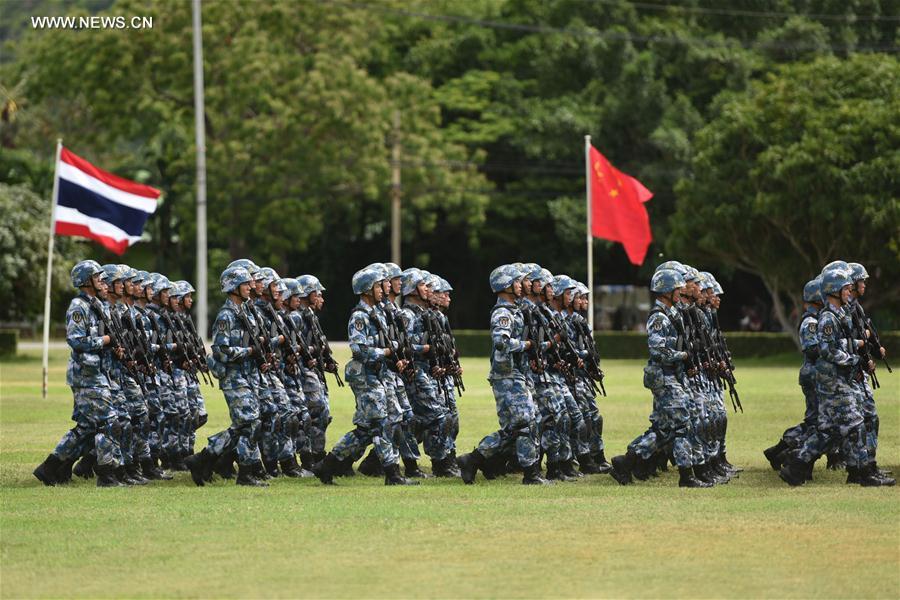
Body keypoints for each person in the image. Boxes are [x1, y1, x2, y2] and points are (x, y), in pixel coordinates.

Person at [312, 265, 418, 485]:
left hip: (379, 374)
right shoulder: (359, 317)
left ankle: (326, 465)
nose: (383, 289)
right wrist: (387, 351)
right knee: (381, 424)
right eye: (379, 286)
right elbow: (359, 350)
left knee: (367, 429)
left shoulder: (378, 312)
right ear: (367, 289)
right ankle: (392, 474)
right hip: (366, 376)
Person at [608, 268, 711, 488]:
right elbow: (658, 350)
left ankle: (626, 461)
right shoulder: (659, 317)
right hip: (665, 378)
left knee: (664, 430)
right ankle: (687, 476)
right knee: (682, 425)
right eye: (676, 289)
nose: (680, 292)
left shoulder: (672, 312)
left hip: (673, 376)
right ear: (665, 290)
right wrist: (684, 354)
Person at [33, 260, 125, 487]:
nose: (103, 281)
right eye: (98, 278)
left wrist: (113, 346)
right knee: (109, 422)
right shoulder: (79, 307)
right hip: (86, 375)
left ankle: (51, 467)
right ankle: (106, 475)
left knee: (86, 428)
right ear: (86, 281)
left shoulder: (97, 305)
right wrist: (104, 340)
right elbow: (75, 340)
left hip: (98, 372)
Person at [456, 265, 547, 485]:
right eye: (516, 282)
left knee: (516, 428)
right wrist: (525, 344)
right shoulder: (503, 313)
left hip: (516, 374)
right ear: (505, 285)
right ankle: (530, 475)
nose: (520, 285)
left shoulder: (515, 309)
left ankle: (473, 459)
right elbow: (501, 341)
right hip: (507, 376)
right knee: (525, 424)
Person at [185, 266, 268, 486]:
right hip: (233, 377)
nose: (250, 287)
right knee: (250, 424)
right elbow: (220, 350)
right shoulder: (226, 316)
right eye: (245, 284)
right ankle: (245, 474)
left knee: (244, 426)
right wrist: (249, 351)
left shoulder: (245, 312)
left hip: (247, 376)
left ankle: (203, 459)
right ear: (233, 287)